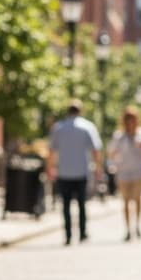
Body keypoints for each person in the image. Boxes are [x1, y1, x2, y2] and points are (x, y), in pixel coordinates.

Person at [48, 99, 102, 245]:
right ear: (80, 111)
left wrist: (50, 168)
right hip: (81, 171)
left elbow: (51, 151)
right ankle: (83, 233)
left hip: (64, 172)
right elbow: (96, 150)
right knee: (81, 204)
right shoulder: (87, 127)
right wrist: (98, 168)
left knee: (65, 206)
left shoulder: (58, 128)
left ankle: (68, 235)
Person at [108, 106, 141, 241]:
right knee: (125, 201)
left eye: (133, 119)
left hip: (139, 172)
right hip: (123, 173)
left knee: (137, 199)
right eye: (128, 119)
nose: (130, 122)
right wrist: (116, 154)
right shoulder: (119, 136)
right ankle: (127, 229)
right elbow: (111, 153)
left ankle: (137, 225)